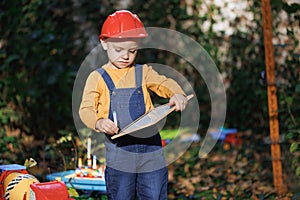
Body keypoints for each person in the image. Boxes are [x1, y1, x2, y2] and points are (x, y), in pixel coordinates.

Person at [79, 10, 188, 200]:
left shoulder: (143, 72)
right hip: (120, 151)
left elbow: (164, 83)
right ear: (104, 43)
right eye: (119, 50)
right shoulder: (97, 78)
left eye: (132, 51)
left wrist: (176, 93)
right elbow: (86, 109)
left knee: (154, 194)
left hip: (151, 148)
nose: (126, 56)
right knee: (121, 195)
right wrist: (98, 122)